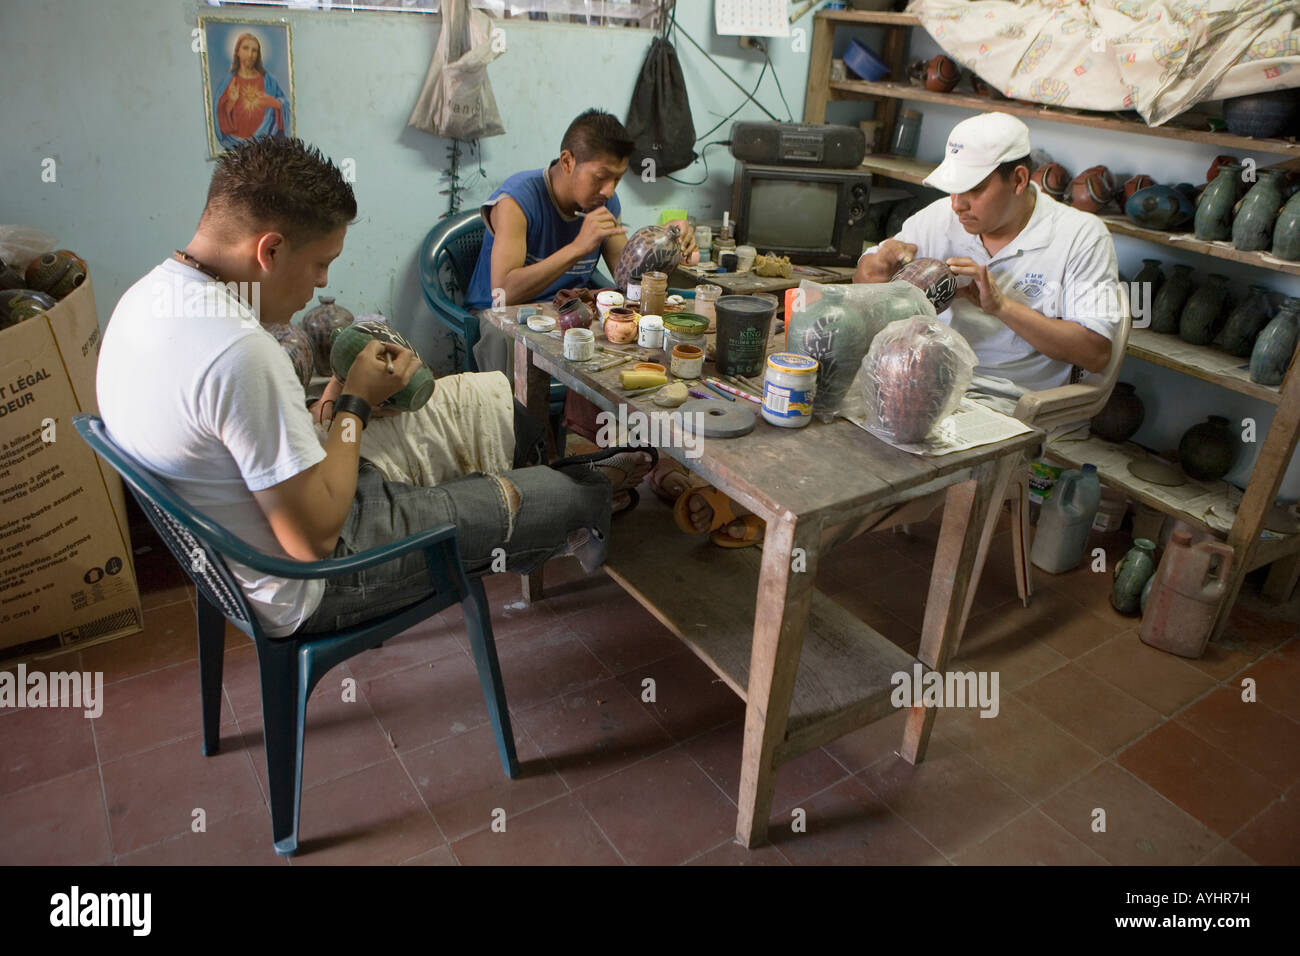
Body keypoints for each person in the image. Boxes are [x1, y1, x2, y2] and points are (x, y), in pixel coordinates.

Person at [98, 135, 653, 638]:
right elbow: (312, 540)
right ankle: (581, 502)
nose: (322, 283)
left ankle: (536, 497)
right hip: (318, 577)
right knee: (568, 496)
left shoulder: (146, 297)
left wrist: (341, 390)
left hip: (282, 510)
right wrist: (356, 403)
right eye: (320, 263)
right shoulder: (239, 352)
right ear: (268, 251)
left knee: (491, 399)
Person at [678, 112, 1122, 544]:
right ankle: (768, 502)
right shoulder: (938, 219)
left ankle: (783, 525)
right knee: (813, 402)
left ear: (1020, 180)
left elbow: (1095, 352)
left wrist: (1001, 306)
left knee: (886, 459)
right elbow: (867, 289)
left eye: (974, 190)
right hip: (909, 371)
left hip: (1000, 396)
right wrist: (871, 273)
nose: (958, 205)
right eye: (953, 190)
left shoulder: (1083, 237)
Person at [465, 108, 696, 389]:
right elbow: (504, 292)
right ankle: (526, 432)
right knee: (510, 358)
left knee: (633, 335)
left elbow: (628, 279)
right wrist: (577, 247)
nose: (609, 191)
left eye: (618, 179)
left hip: (569, 311)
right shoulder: (517, 200)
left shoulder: (604, 203)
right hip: (502, 315)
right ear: (567, 161)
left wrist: (666, 243)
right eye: (600, 177)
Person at [214, 33, 290, 149]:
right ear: (237, 52)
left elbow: (285, 105)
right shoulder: (228, 82)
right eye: (245, 48)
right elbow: (220, 117)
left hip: (265, 146)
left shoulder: (269, 81)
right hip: (235, 144)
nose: (250, 55)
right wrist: (231, 102)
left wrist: (274, 103)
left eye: (254, 50)